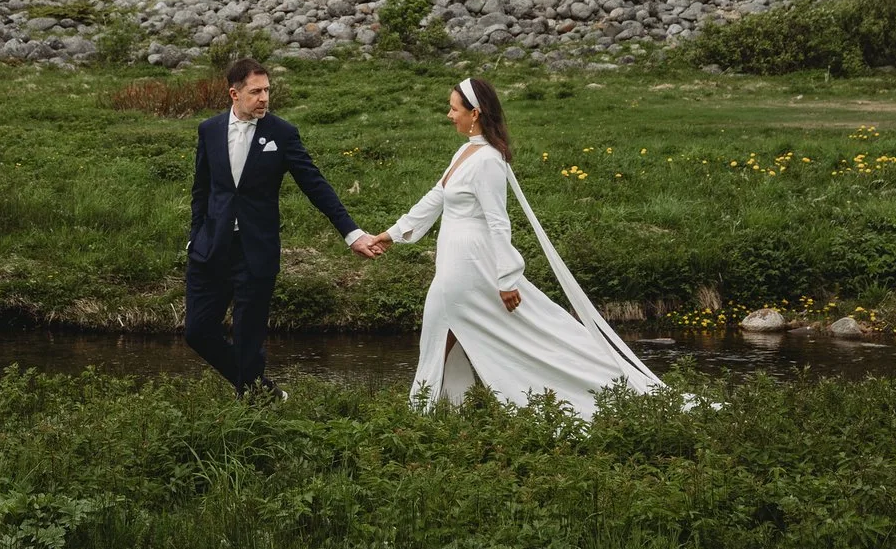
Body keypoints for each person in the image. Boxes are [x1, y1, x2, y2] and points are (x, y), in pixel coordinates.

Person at [361, 75, 667, 419]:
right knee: (442, 329)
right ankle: (445, 410)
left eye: (453, 108)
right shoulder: (466, 151)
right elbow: (436, 198)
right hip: (454, 258)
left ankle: (425, 412)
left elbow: (498, 221)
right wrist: (391, 234)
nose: (449, 115)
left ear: (475, 113)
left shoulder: (488, 160)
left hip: (471, 262)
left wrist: (507, 278)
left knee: (450, 326)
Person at [185, 55, 381, 396]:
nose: (264, 98)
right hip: (211, 248)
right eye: (255, 92)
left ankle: (255, 409)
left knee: (248, 337)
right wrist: (195, 237)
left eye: (267, 91)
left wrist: (352, 233)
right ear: (234, 94)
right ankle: (261, 390)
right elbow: (201, 191)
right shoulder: (210, 130)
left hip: (255, 251)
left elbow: (315, 185)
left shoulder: (282, 133)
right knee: (197, 332)